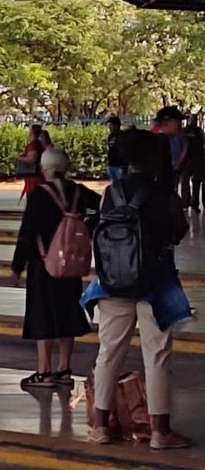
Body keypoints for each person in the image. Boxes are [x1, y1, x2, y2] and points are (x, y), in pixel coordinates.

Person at [83, 129, 191, 449]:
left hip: (112, 282)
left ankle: (101, 425)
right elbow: (179, 231)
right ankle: (160, 432)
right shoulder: (164, 194)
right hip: (155, 282)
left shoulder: (110, 192)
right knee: (156, 356)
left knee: (108, 353)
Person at [11, 147, 98, 391]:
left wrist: (18, 266)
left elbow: (27, 232)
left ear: (44, 168)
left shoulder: (40, 195)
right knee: (68, 312)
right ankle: (65, 369)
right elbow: (99, 209)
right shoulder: (79, 192)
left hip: (44, 263)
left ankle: (44, 371)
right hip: (71, 264)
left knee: (43, 315)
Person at [155, 106, 186, 192]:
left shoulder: (179, 136)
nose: (180, 124)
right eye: (178, 121)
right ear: (166, 123)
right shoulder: (157, 142)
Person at [180, 114, 205, 212]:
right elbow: (203, 142)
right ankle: (195, 203)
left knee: (185, 181)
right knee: (196, 182)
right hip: (198, 159)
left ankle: (186, 202)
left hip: (187, 160)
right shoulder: (199, 131)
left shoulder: (184, 131)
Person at [17, 124, 45, 201]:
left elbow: (32, 158)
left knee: (33, 198)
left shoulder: (33, 145)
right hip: (39, 176)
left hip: (33, 177)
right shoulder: (40, 144)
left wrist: (20, 158)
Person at [106, 116, 125, 184]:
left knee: (121, 184)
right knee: (113, 185)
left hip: (119, 165)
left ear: (116, 126)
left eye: (111, 125)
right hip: (111, 164)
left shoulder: (122, 136)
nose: (109, 127)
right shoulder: (110, 136)